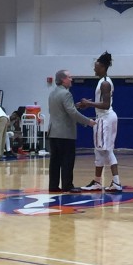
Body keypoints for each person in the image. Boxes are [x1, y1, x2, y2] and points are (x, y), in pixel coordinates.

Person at [78, 51, 122, 192]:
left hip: (106, 117)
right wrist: (87, 103)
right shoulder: (102, 82)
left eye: (96, 67)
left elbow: (106, 104)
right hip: (105, 117)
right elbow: (102, 102)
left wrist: (89, 104)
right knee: (99, 150)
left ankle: (116, 182)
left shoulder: (105, 83)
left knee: (106, 150)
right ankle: (97, 182)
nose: (94, 69)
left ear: (103, 67)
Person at [48, 69, 96, 193]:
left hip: (53, 132)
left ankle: (53, 186)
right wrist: (88, 121)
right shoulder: (66, 94)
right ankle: (67, 185)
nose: (71, 79)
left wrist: (76, 105)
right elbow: (72, 112)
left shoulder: (52, 93)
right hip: (65, 133)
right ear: (63, 79)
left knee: (55, 161)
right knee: (67, 160)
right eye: (69, 77)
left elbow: (62, 110)